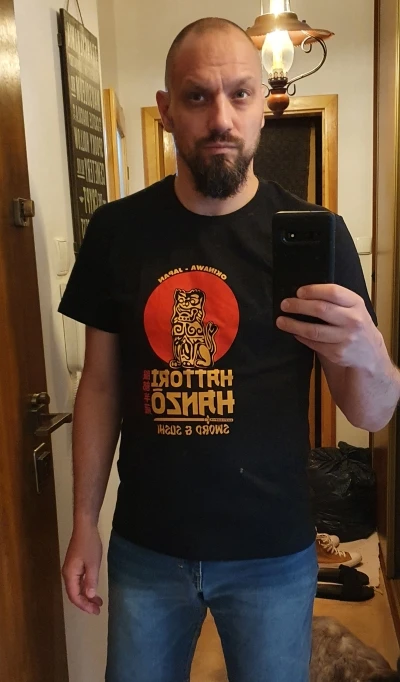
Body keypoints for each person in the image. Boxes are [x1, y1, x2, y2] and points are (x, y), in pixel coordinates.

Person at [59, 17, 400, 682]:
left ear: (262, 107)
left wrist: (369, 351)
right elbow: (99, 385)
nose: (221, 117)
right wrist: (82, 523)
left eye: (240, 94)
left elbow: (371, 412)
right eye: (197, 96)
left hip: (272, 552)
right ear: (166, 110)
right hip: (147, 548)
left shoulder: (321, 235)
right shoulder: (116, 232)